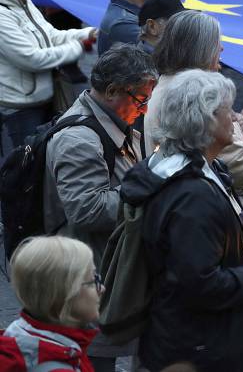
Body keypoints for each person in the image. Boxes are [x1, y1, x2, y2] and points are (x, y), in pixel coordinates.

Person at [120, 69, 243, 371]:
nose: (235, 119)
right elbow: (197, 283)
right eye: (227, 111)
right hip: (198, 349)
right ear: (206, 120)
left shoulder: (196, 172)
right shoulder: (193, 196)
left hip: (192, 340)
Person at [44, 44, 157, 370]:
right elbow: (86, 208)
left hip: (107, 269)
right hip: (92, 274)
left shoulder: (112, 122)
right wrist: (146, 187)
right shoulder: (79, 139)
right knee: (95, 358)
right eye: (141, 99)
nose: (146, 110)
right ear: (111, 91)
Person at [145, 11, 243, 248]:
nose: (222, 50)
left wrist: (234, 127)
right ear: (200, 48)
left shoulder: (168, 87)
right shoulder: (191, 97)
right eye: (217, 43)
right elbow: (240, 167)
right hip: (219, 230)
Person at [0, 0, 95, 151]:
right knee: (26, 171)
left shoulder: (25, 3)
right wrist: (77, 47)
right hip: (21, 111)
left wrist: (88, 34)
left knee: (47, 161)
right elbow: (31, 58)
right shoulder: (1, 15)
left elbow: (52, 35)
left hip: (44, 99)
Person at [1, 236, 102, 371]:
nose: (102, 289)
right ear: (65, 295)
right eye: (93, 281)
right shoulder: (57, 364)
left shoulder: (20, 335)